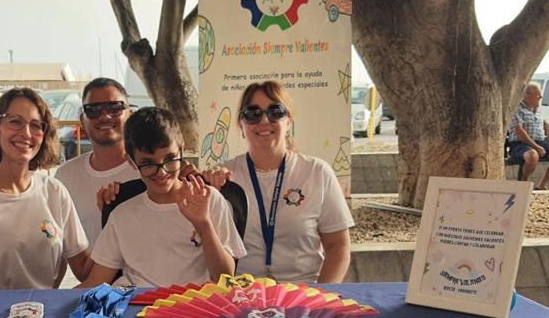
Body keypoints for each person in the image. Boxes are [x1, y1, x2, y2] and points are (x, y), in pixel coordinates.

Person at [203, 81, 353, 284]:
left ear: (289, 121)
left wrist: (321, 296)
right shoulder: (223, 179)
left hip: (302, 295)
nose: (264, 120)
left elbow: (338, 247)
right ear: (241, 124)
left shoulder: (317, 172)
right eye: (252, 113)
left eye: (275, 112)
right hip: (241, 295)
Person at [0, 88, 92, 290]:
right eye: (15, 121)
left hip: (41, 313)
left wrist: (116, 219)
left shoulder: (54, 192)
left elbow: (83, 267)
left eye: (36, 125)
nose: (26, 133)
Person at [79, 107, 245, 288]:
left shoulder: (208, 199)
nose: (162, 171)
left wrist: (203, 225)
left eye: (170, 158)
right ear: (131, 162)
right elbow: (95, 282)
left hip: (196, 306)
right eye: (148, 163)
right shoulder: (122, 215)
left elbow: (226, 277)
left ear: (182, 150)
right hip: (137, 308)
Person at [53, 78, 140, 246]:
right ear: (82, 120)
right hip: (89, 272)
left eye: (115, 108)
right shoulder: (65, 177)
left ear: (130, 114)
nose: (105, 116)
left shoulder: (151, 172)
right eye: (93, 110)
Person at [508, 83, 549, 191]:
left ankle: (541, 185)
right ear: (528, 95)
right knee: (532, 156)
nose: (541, 97)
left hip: (539, 142)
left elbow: (536, 119)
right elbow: (519, 131)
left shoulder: (537, 109)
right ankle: (523, 185)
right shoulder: (517, 109)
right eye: (538, 95)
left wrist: (546, 122)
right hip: (520, 144)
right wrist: (536, 147)